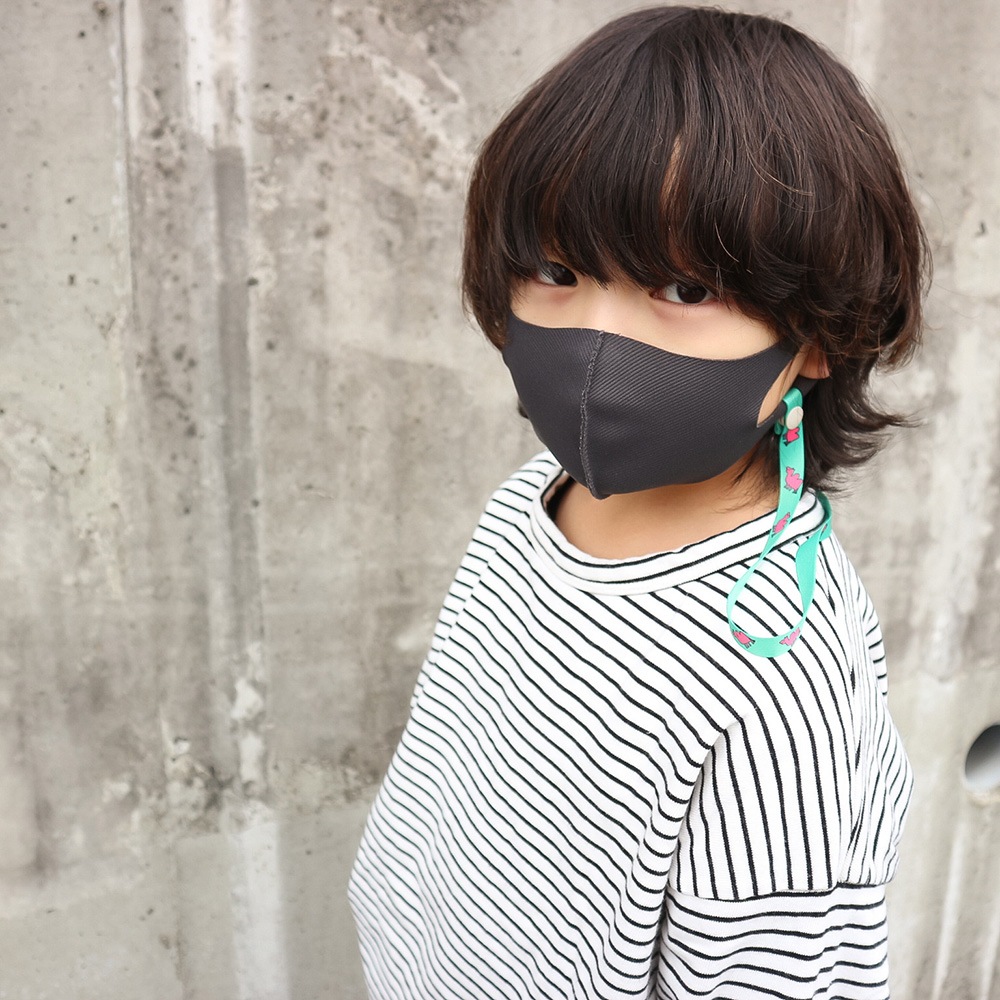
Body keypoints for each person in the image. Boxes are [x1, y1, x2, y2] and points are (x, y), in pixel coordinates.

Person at [348, 7, 928, 998]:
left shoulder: (777, 664)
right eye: (557, 271)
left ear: (822, 333)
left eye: (685, 289)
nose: (597, 348)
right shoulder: (530, 501)